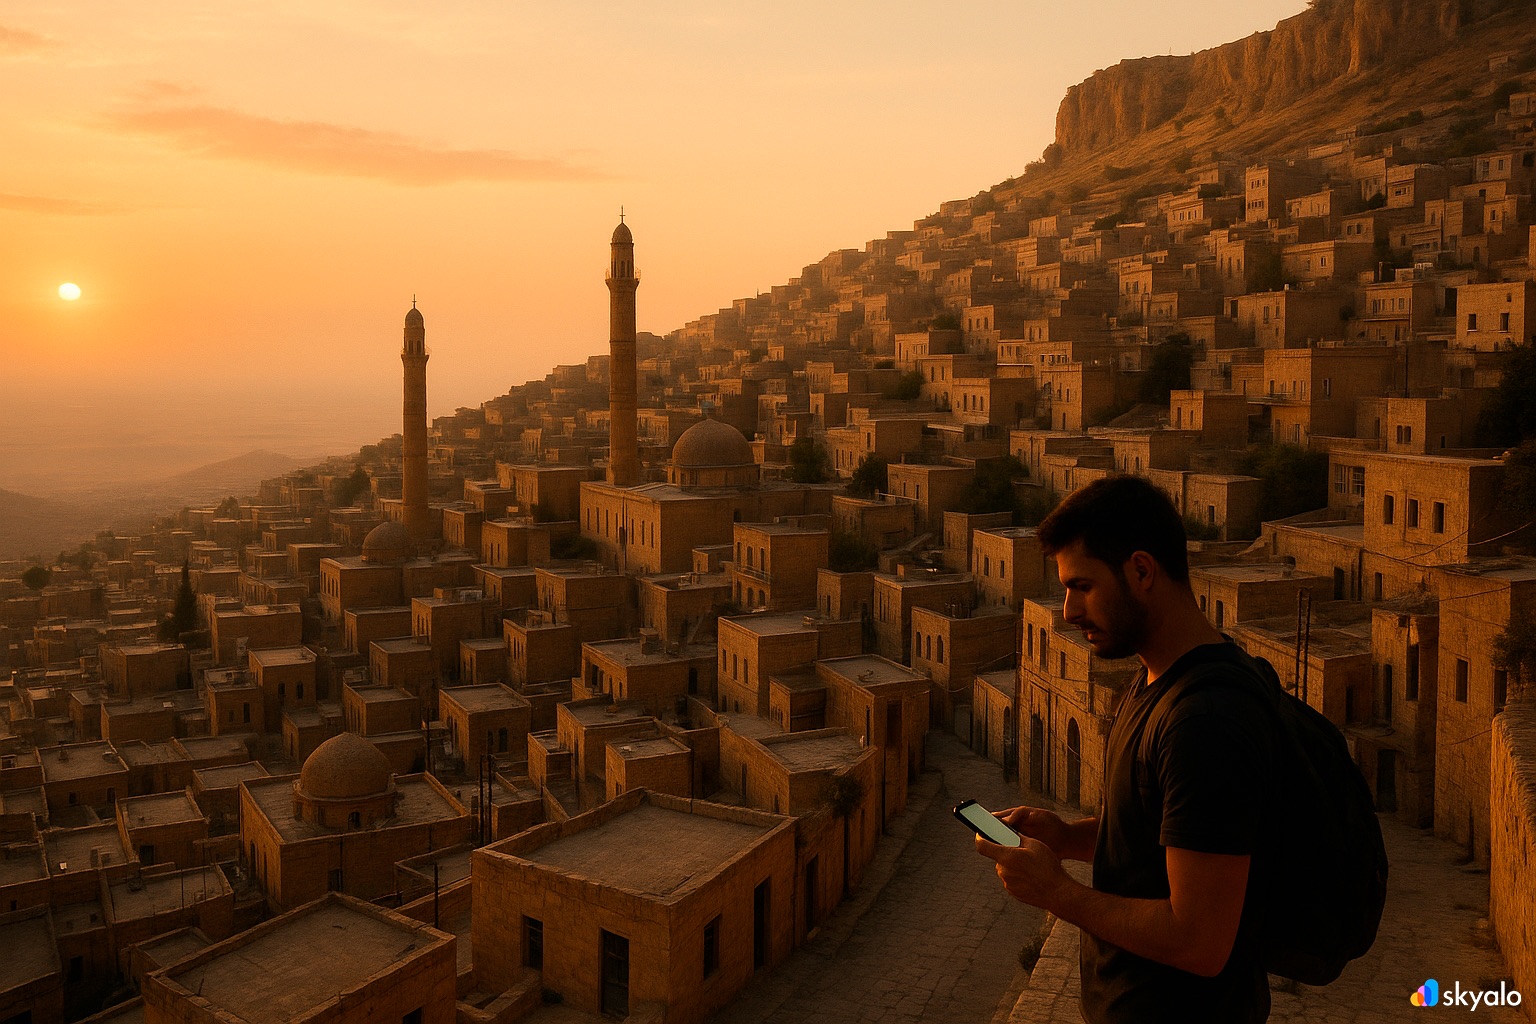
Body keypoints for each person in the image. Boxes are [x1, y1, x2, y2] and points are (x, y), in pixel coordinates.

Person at [974, 474, 1277, 1023]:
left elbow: (1199, 941)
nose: (1068, 611)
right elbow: (1167, 837)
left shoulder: (1206, 722)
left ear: (1141, 571)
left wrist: (1057, 893)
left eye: (1082, 587)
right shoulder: (1156, 681)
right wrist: (1070, 838)